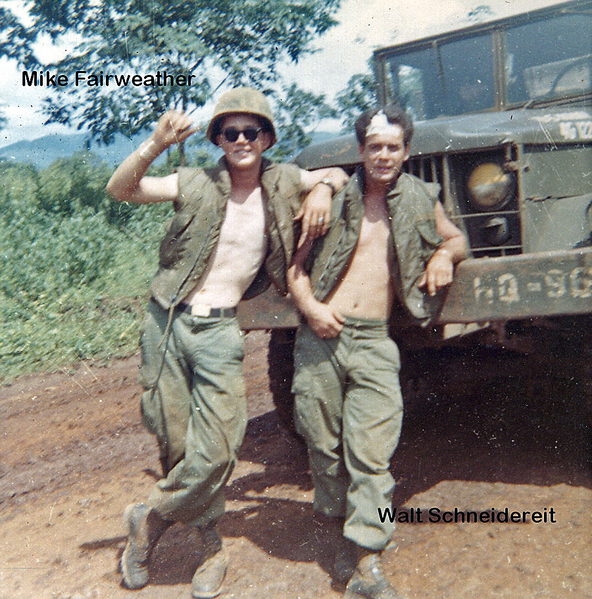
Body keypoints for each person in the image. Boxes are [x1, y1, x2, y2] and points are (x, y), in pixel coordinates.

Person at [106, 87, 348, 598]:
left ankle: (147, 517)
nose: (241, 140)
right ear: (217, 138)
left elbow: (338, 173)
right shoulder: (195, 181)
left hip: (220, 329)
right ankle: (209, 547)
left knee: (216, 449)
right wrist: (152, 144)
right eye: (230, 131)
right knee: (175, 443)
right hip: (168, 322)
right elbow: (120, 189)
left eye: (252, 131)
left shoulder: (283, 180)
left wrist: (323, 188)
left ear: (266, 138)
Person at [287, 105, 467, 599]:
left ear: (405, 151)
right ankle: (338, 527)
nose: (383, 154)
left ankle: (367, 557)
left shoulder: (418, 198)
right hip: (320, 337)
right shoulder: (333, 199)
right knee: (322, 445)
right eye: (374, 146)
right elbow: (295, 269)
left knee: (372, 454)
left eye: (393, 146)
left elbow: (457, 238)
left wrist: (444, 255)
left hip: (373, 341)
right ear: (361, 150)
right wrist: (311, 309)